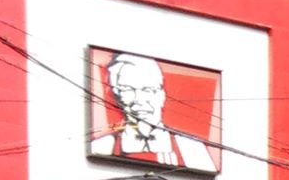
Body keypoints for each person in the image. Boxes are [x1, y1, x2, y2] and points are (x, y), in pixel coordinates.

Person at [89, 52, 219, 172]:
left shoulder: (192, 149)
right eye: (127, 90)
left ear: (161, 96)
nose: (139, 100)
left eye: (148, 90)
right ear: (116, 96)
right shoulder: (102, 147)